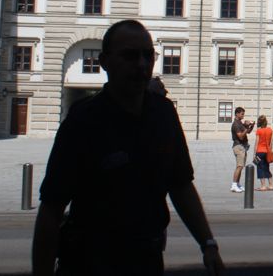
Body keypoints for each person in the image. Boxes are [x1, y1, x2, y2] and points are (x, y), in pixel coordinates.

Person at [31, 19, 224, 276]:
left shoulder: (164, 113)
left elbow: (180, 185)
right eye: (130, 56)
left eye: (148, 55)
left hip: (147, 260)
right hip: (92, 263)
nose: (142, 64)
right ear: (105, 62)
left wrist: (207, 243)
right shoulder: (83, 121)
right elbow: (51, 209)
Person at [230, 107, 252, 192]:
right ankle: (234, 185)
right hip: (238, 147)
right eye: (242, 114)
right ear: (237, 114)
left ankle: (237, 184)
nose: (243, 115)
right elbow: (241, 136)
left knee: (241, 166)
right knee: (239, 166)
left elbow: (248, 132)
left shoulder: (240, 123)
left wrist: (251, 126)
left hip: (242, 147)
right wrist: (246, 128)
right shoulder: (236, 124)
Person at [254, 115, 273, 192]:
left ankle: (263, 186)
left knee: (260, 168)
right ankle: (271, 185)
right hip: (267, 151)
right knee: (267, 168)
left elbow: (256, 143)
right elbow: (271, 142)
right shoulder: (270, 130)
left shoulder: (259, 131)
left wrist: (254, 154)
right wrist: (270, 151)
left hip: (259, 151)